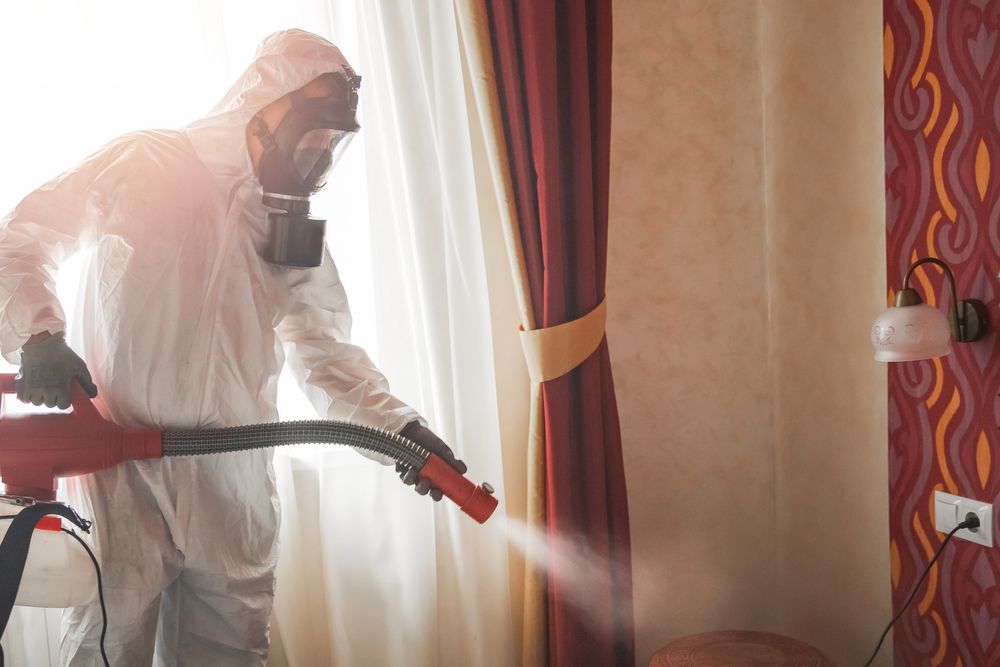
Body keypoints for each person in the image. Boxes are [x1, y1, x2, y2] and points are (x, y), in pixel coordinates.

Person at [0, 29, 464, 666]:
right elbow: (24, 237)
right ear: (269, 104)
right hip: (121, 472)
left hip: (233, 486)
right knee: (104, 650)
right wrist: (38, 334)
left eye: (334, 142)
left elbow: (325, 350)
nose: (320, 154)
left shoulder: (289, 227)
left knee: (231, 655)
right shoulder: (143, 163)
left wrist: (400, 429)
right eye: (314, 132)